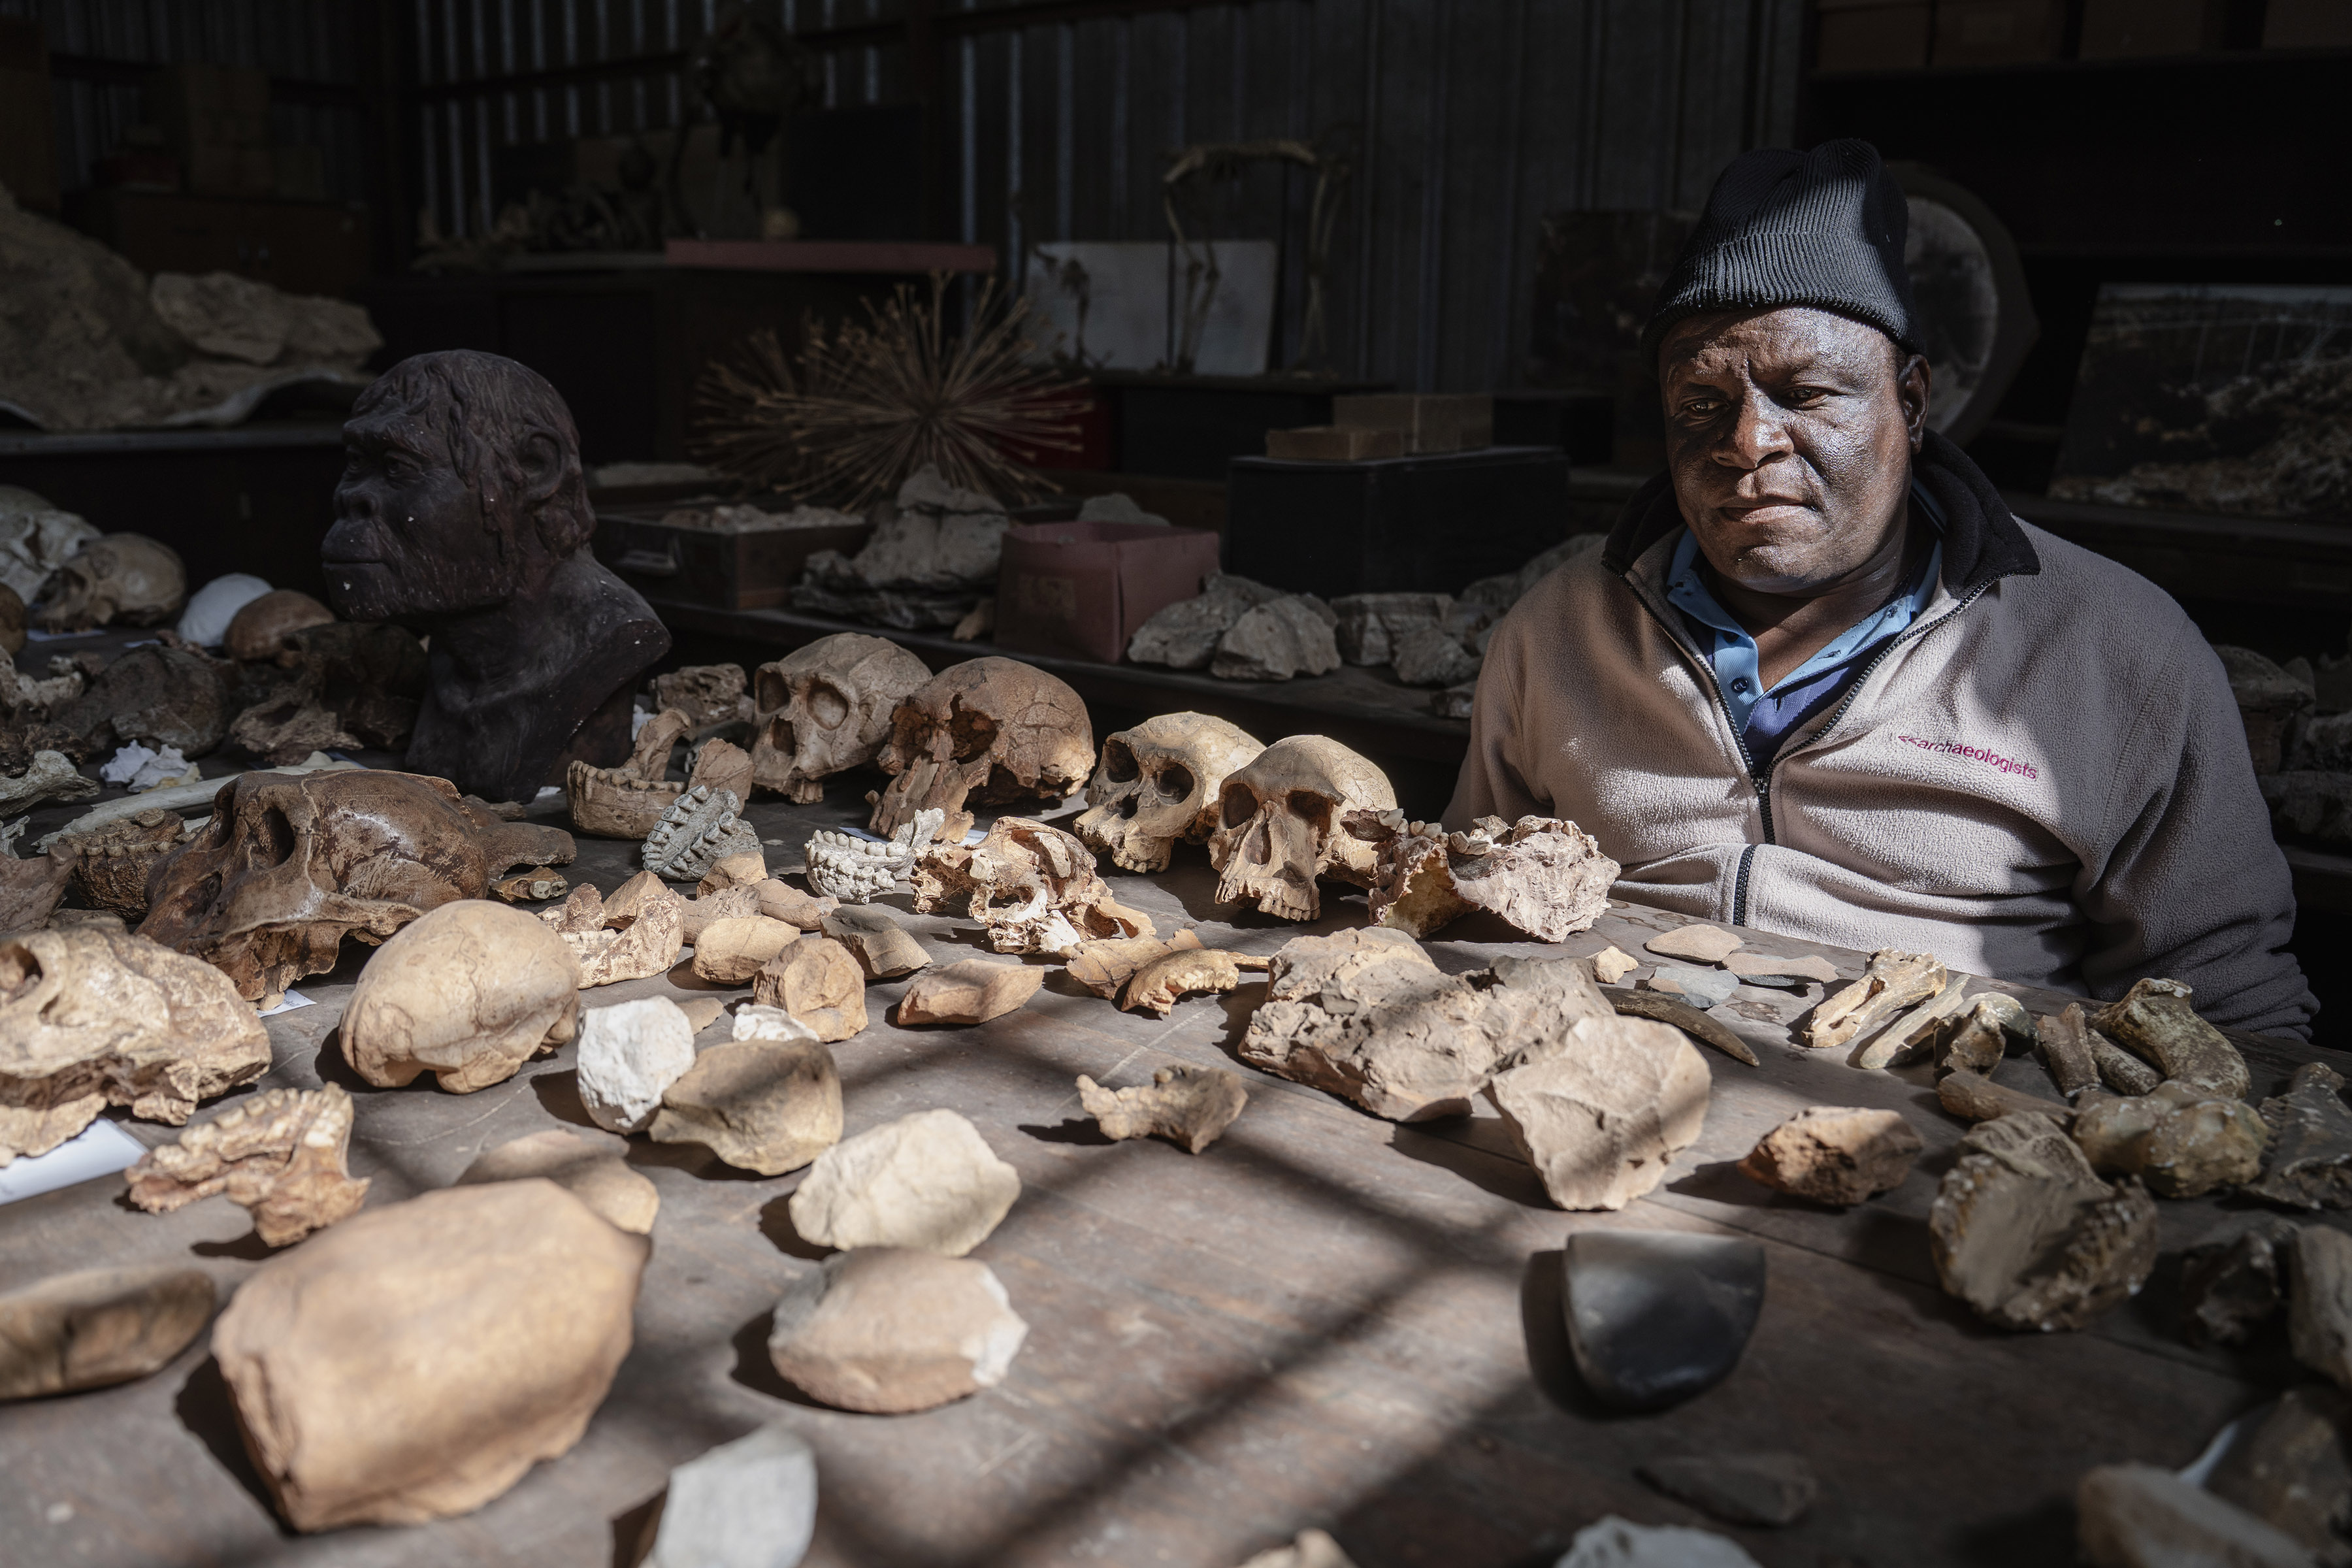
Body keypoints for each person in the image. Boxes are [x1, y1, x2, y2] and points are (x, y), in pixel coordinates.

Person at [1448, 140, 2314, 1036]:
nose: (1748, 442)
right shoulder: (1558, 632)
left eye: (1806, 392)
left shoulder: (2111, 644)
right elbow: (1474, 894)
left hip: (1950, 1125)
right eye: (1700, 403)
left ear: (1910, 400)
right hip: (1601, 1084)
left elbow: (2226, 999)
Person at [323, 350, 670, 803]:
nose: (354, 498)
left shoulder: (611, 635)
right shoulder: (459, 643)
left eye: (397, 467)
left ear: (535, 470)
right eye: (355, 463)